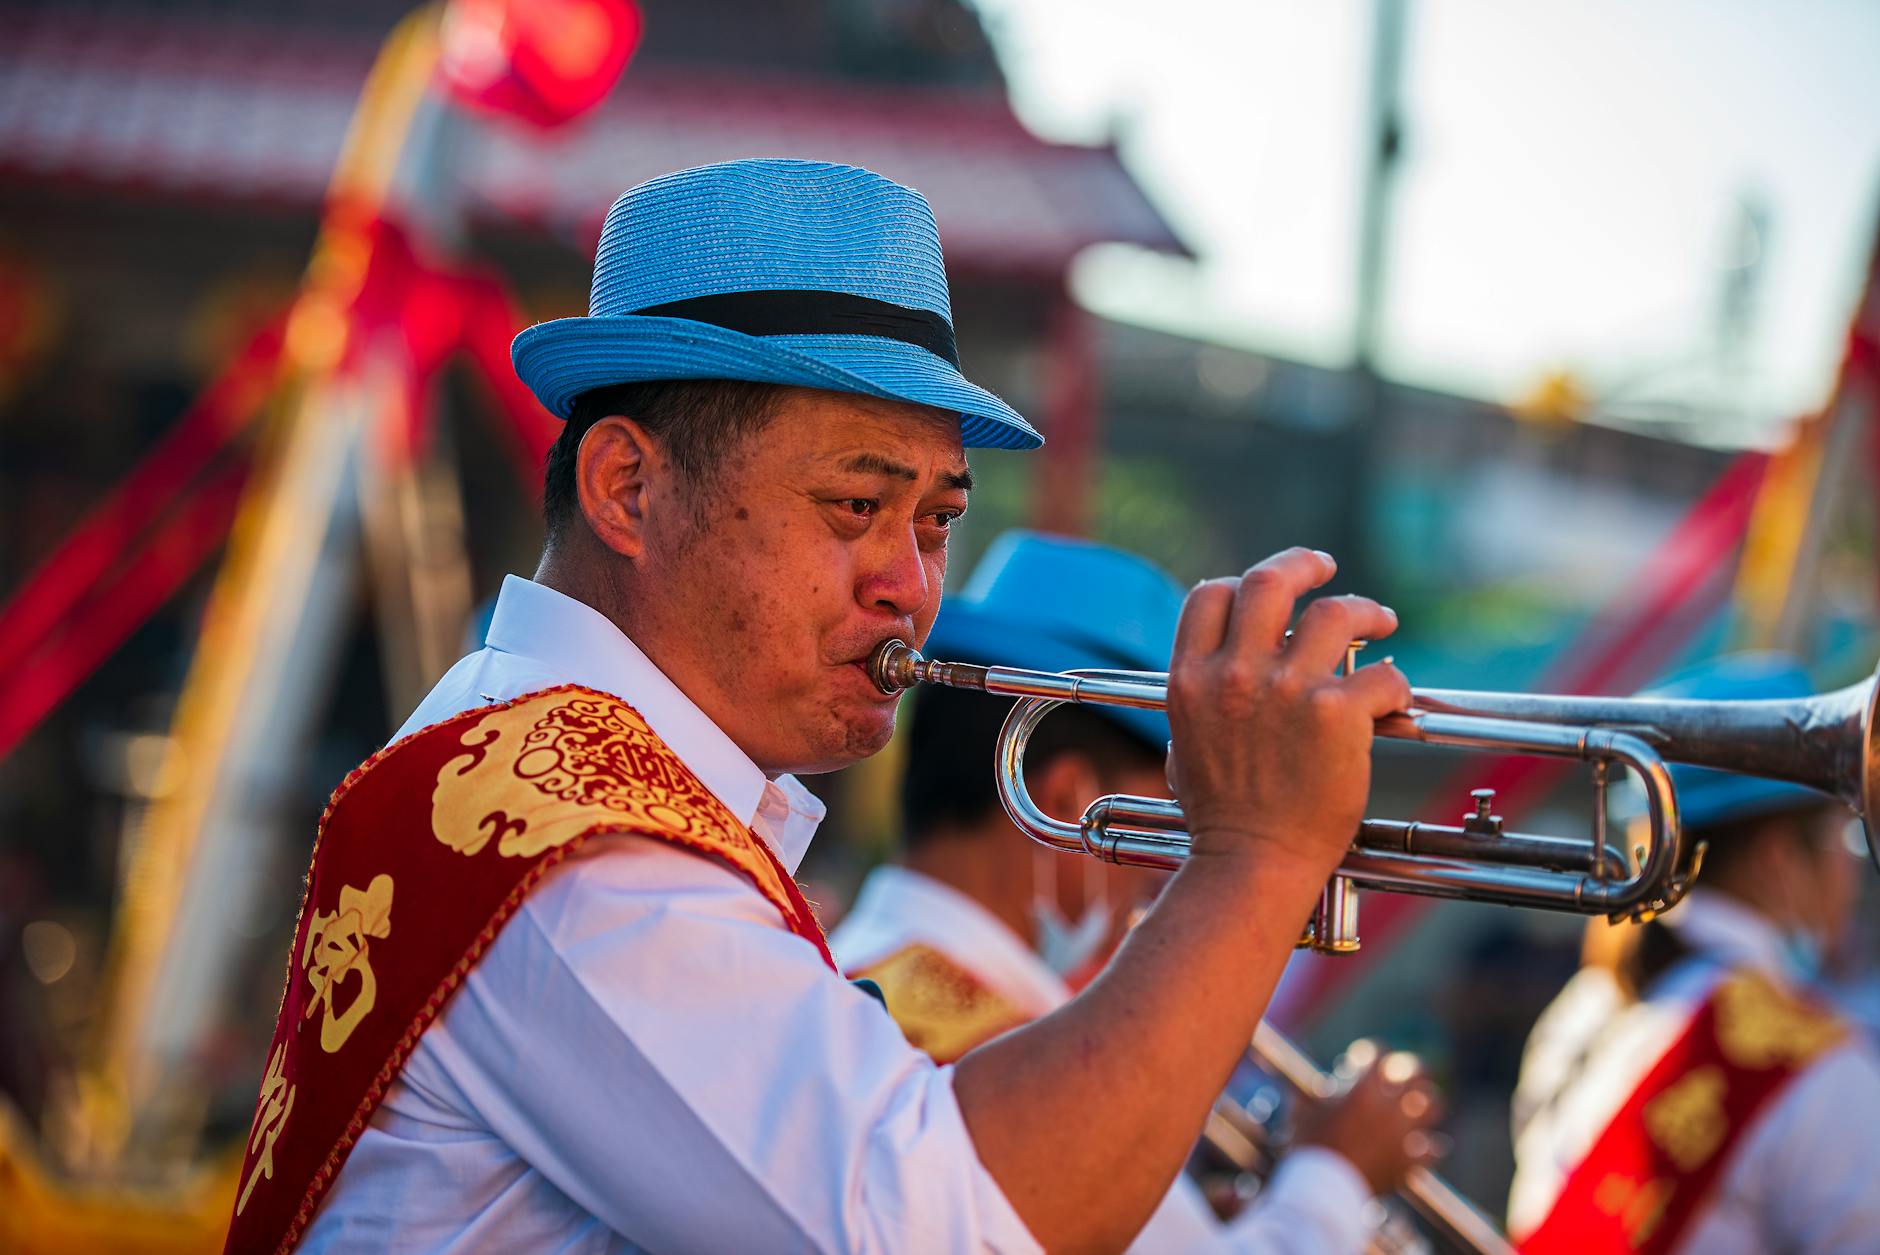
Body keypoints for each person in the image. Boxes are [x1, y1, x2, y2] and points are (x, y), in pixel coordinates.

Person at [223, 158, 1412, 1254]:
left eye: (935, 521)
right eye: (854, 504)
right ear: (627, 489)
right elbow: (946, 1223)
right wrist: (1255, 858)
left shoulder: (529, 761)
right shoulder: (570, 832)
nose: (911, 584)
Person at [830, 529, 1442, 1254]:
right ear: (1065, 799)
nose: (1157, 882)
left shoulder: (843, 978)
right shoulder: (1013, 1046)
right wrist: (1334, 1173)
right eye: (1165, 828)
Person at [1507, 654, 1880, 1254]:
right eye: (1843, 833)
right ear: (1777, 859)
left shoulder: (1583, 1011)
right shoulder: (1820, 1071)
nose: (1852, 868)